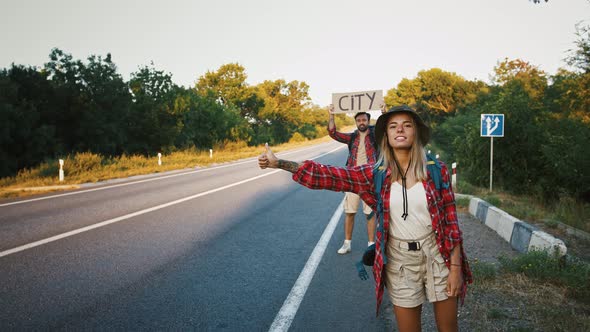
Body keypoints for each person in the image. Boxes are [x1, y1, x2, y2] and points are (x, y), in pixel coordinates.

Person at [258, 105, 472, 331]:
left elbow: (451, 224)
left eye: (407, 125)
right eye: (393, 126)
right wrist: (279, 163)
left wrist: (456, 269)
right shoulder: (375, 173)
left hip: (438, 255)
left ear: (416, 132)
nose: (400, 129)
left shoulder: (436, 170)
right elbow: (331, 175)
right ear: (386, 136)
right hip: (399, 260)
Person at [327, 105, 377, 254]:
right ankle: (347, 244)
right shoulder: (352, 137)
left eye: (364, 119)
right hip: (352, 178)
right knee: (350, 212)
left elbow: (388, 127)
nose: (362, 122)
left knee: (370, 213)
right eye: (359, 120)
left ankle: (371, 245)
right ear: (356, 122)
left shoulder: (375, 135)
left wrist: (385, 111)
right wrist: (331, 115)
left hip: (370, 179)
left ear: (368, 120)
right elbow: (333, 133)